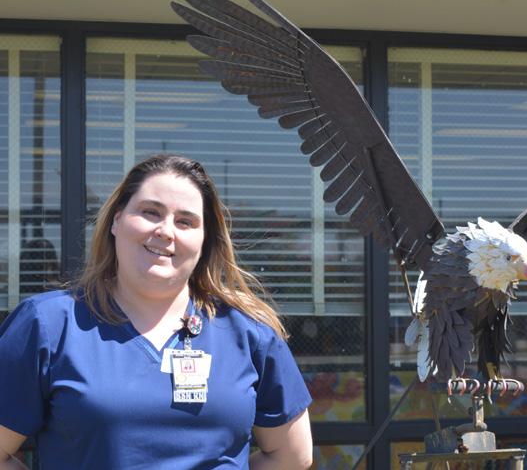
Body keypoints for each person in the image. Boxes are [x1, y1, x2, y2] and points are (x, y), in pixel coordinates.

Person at [0, 154, 313, 469]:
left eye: (185, 221)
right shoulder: (48, 325)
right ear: (116, 221)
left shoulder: (249, 332)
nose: (166, 231)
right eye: (151, 212)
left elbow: (293, 455)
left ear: (204, 240)